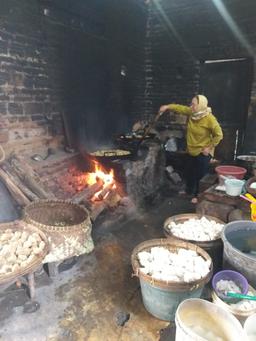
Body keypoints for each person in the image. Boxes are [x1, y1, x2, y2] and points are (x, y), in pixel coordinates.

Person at [159, 94, 223, 204]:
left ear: (201, 105)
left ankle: (198, 195)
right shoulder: (192, 113)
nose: (191, 106)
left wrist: (209, 147)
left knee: (199, 174)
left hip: (203, 152)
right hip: (191, 150)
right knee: (189, 172)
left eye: (194, 104)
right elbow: (180, 108)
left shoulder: (209, 119)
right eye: (191, 104)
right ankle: (189, 191)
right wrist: (167, 106)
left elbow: (219, 135)